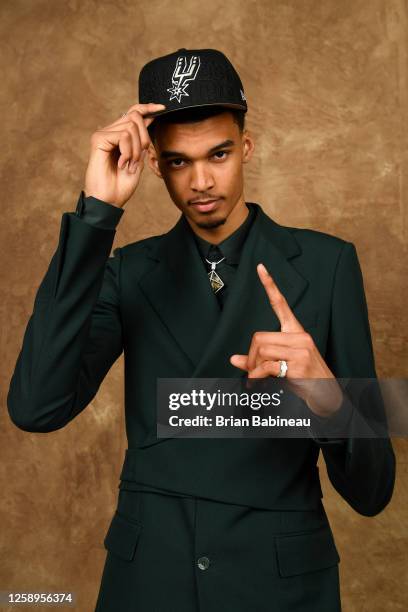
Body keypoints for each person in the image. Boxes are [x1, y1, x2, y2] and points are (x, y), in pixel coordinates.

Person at [7, 48, 395, 612]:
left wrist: (330, 398)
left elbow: (374, 491)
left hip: (279, 582)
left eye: (218, 154)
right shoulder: (128, 272)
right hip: (152, 577)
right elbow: (35, 407)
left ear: (246, 147)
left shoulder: (328, 265)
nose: (202, 181)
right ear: (158, 165)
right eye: (179, 162)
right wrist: (96, 215)